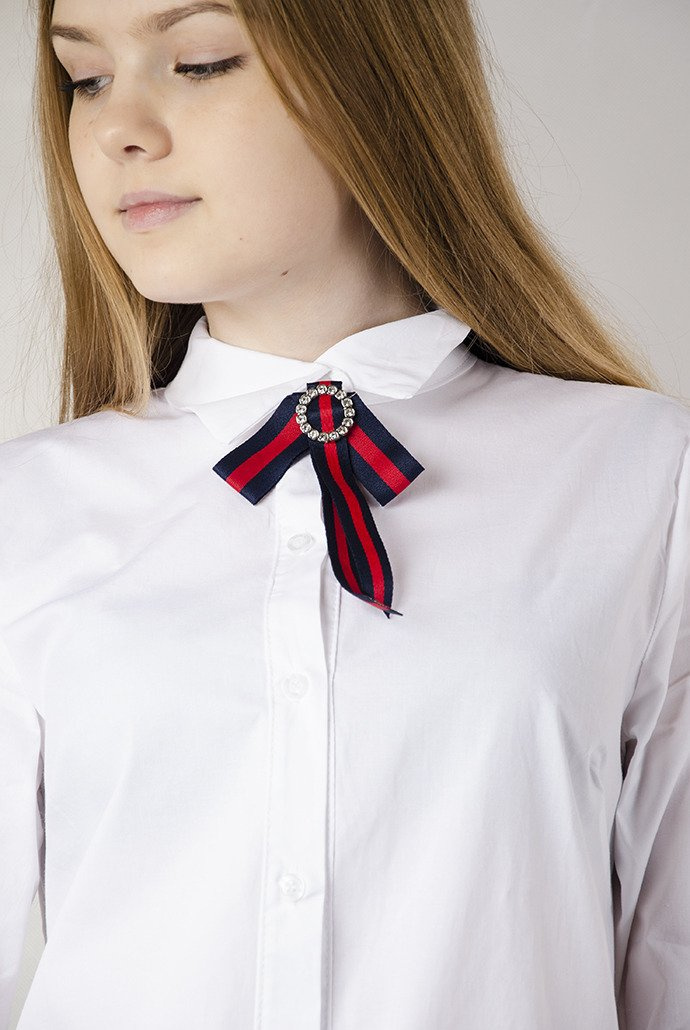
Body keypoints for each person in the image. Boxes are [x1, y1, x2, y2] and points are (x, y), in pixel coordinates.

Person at [1, 0, 688, 1026]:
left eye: (201, 61)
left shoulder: (643, 477)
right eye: (86, 79)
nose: (116, 130)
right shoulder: (26, 510)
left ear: (374, 79)